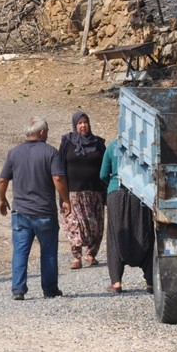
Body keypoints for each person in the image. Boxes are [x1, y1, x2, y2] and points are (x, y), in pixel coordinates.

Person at [0, 116, 70, 300]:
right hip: (44, 212)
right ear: (42, 132)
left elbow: (2, 179)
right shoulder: (51, 152)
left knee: (20, 251)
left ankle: (18, 289)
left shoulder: (14, 153)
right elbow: (58, 178)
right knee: (48, 252)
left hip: (20, 212)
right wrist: (65, 199)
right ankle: (50, 290)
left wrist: (2, 199)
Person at [99, 137, 155, 293]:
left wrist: (112, 180)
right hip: (139, 193)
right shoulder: (143, 146)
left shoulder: (111, 147)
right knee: (145, 232)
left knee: (115, 237)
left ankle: (116, 283)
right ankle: (150, 282)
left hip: (116, 194)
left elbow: (103, 174)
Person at [59, 110, 106, 269]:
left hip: (95, 192)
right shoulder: (67, 143)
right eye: (79, 123)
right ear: (75, 125)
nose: (83, 126)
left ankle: (91, 254)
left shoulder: (98, 143)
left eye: (85, 122)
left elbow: (105, 167)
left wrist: (106, 193)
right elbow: (60, 169)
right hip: (73, 193)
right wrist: (62, 196)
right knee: (74, 224)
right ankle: (76, 257)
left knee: (95, 225)